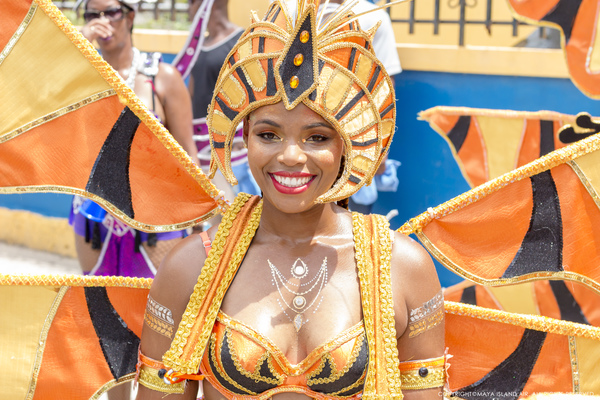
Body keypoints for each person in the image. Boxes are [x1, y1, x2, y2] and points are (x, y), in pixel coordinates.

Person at [135, 1, 445, 399]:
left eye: (317, 137)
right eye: (269, 134)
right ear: (244, 138)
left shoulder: (403, 267)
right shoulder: (189, 267)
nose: (291, 156)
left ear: (347, 146)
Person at [70, 0, 200, 280]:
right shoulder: (81, 79)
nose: (102, 21)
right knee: (99, 305)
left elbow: (187, 153)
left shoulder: (161, 78)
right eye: (93, 14)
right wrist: (78, 49)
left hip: (156, 215)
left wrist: (197, 218)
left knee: (155, 306)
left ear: (129, 17)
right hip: (94, 213)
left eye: (111, 13)